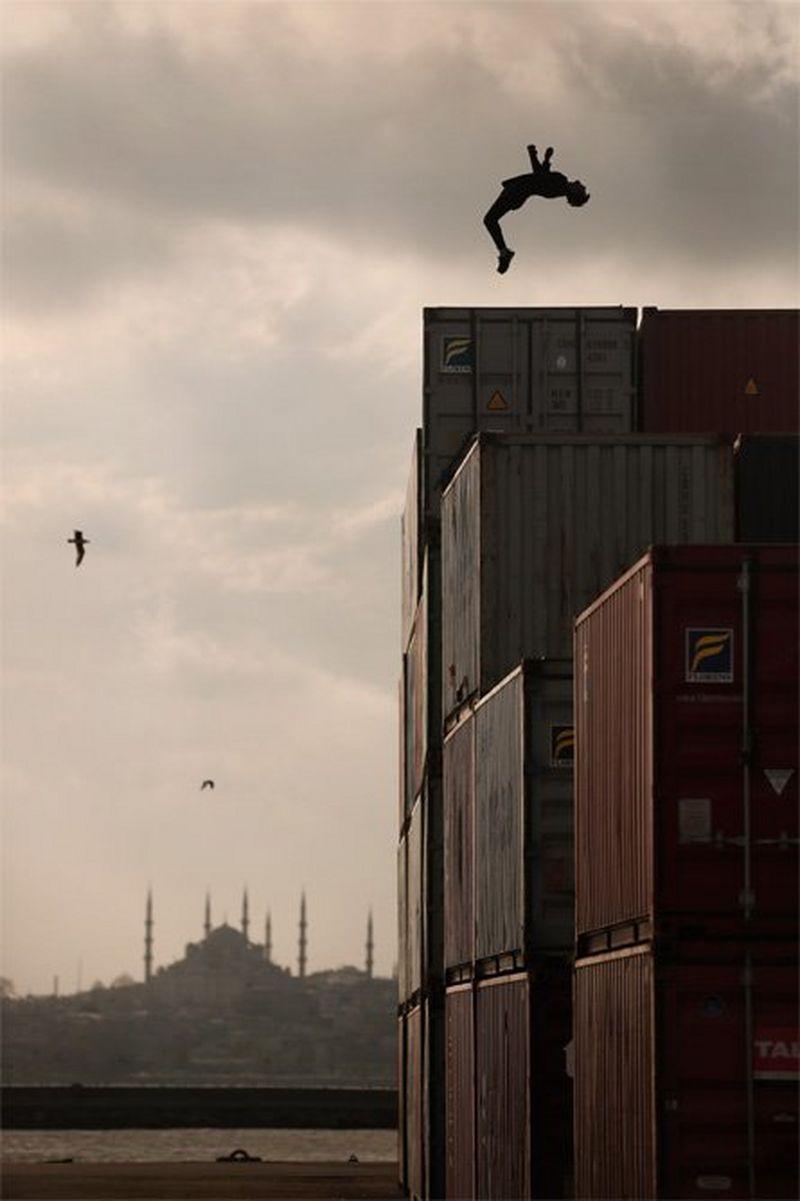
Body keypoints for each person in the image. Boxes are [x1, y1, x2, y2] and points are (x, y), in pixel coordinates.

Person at [483, 144, 590, 273]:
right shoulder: (560, 184)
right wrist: (545, 159)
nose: (582, 185)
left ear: (575, 193)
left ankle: (504, 252)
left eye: (582, 189)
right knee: (490, 220)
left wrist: (534, 154)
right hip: (517, 192)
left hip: (516, 192)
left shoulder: (560, 185)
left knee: (489, 220)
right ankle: (504, 252)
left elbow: (539, 175)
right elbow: (542, 176)